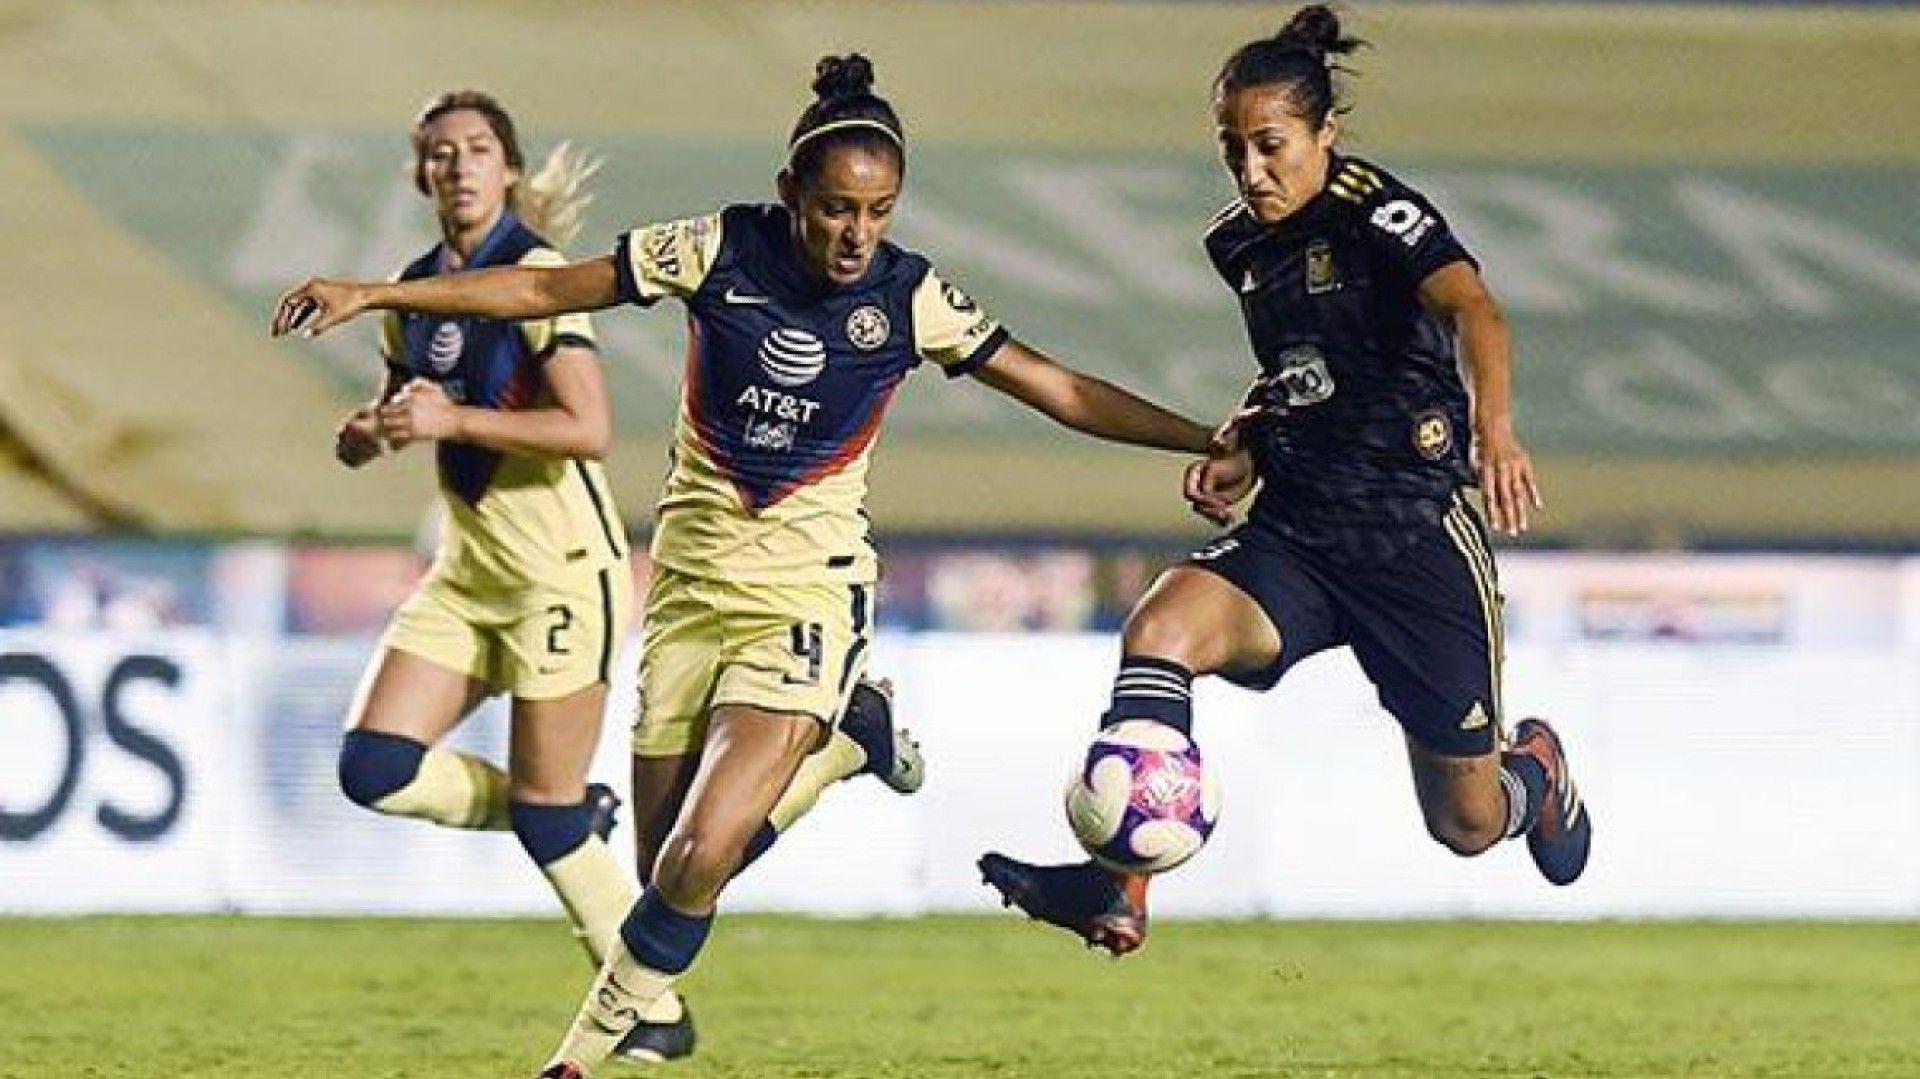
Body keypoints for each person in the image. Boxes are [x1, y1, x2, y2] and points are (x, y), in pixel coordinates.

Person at [273, 55, 1217, 1076]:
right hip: (686, 590)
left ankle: (574, 1059)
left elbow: (1060, 388)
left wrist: (1203, 437)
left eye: (879, 211)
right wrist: (375, 292)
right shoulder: (717, 247)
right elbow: (547, 284)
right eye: (835, 209)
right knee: (664, 874)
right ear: (790, 197)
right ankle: (851, 743)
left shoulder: (912, 298)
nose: (857, 234)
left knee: (694, 857)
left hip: (805, 594)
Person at [979, 4, 1593, 956]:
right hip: (1299, 532)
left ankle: (1537, 777)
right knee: (1160, 629)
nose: (1252, 171)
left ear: (1324, 136)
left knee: (1466, 822)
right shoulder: (1239, 245)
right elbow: (1308, 369)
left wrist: (1497, 428)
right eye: (1234, 150)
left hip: (1412, 537)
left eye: (1271, 146)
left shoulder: (1378, 212)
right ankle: (1120, 884)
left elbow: (1476, 307)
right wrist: (1249, 440)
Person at [323, 88, 647, 1037]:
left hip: (559, 569)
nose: (458, 165)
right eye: (440, 152)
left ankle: (649, 1006)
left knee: (545, 818)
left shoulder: (539, 275)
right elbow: (408, 404)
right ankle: (571, 811)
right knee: (373, 766)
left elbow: (587, 428)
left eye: (476, 149)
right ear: (422, 175)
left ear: (508, 168)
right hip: (469, 572)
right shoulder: (412, 290)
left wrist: (451, 419)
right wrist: (370, 435)